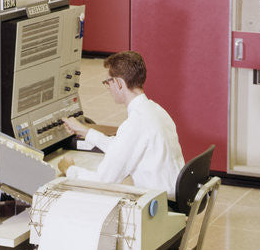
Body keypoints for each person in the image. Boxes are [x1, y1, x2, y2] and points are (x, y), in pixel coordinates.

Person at [59, 51, 185, 199]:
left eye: (108, 82)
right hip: (174, 194)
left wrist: (70, 170)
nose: (108, 87)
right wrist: (86, 132)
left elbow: (104, 181)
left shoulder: (135, 124)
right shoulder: (156, 110)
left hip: (160, 204)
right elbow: (123, 146)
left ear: (118, 83)